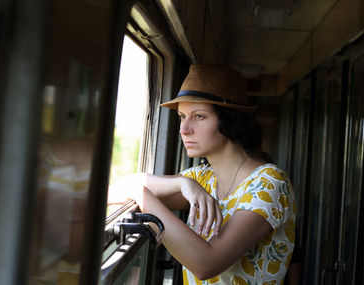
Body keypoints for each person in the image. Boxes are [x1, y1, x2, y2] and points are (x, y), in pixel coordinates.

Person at [110, 64, 296, 284]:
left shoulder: (270, 182)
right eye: (182, 116)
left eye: (198, 116)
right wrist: (183, 183)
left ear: (228, 121)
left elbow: (207, 264)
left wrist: (141, 195)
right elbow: (115, 190)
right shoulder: (202, 178)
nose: (184, 129)